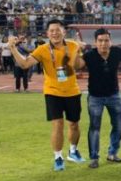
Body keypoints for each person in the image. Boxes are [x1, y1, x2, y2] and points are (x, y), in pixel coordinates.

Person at [8, 20, 85, 171]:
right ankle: (58, 157)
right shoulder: (42, 49)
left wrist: (79, 52)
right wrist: (12, 48)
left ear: (64, 32)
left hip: (72, 91)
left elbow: (79, 66)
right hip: (52, 91)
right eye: (52, 31)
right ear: (47, 33)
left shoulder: (73, 45)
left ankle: (73, 151)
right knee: (58, 124)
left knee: (74, 124)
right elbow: (24, 64)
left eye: (58, 30)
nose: (55, 33)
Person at [78, 28, 121, 168]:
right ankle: (94, 157)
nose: (103, 43)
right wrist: (77, 51)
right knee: (95, 127)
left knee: (119, 126)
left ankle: (112, 153)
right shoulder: (89, 55)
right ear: (95, 42)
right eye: (100, 41)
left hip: (114, 95)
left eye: (106, 40)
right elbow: (77, 65)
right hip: (95, 97)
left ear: (110, 41)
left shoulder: (117, 52)